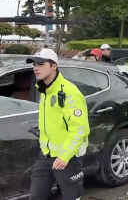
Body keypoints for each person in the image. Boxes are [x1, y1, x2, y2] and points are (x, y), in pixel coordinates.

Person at [26, 48, 90, 200]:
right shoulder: (44, 89)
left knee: (71, 197)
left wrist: (64, 156)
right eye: (34, 64)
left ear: (54, 66)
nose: (36, 67)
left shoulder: (69, 92)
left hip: (68, 158)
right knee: (36, 196)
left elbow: (80, 129)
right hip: (46, 155)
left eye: (41, 64)